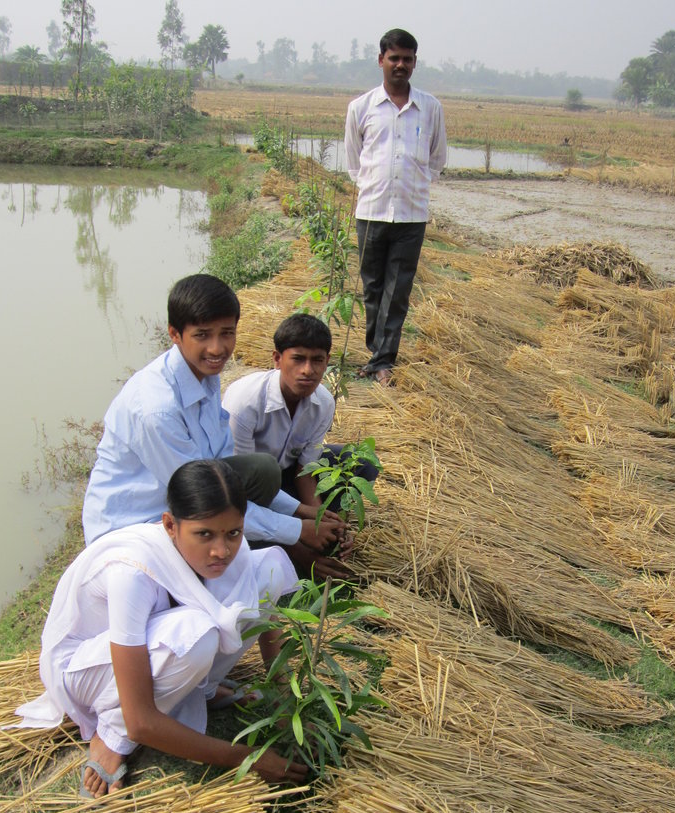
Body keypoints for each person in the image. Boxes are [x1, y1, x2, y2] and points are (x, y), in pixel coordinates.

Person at [15, 460, 307, 797]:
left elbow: (262, 612)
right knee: (197, 632)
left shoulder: (223, 553)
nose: (221, 551)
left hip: (143, 651)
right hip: (84, 670)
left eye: (234, 533)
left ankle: (204, 689)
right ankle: (110, 734)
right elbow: (141, 720)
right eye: (204, 534)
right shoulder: (132, 573)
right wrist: (247, 758)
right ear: (170, 525)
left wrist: (286, 703)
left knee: (266, 568)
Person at [82, 273, 343, 556]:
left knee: (263, 472)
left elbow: (219, 468)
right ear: (175, 334)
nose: (218, 349)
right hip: (138, 525)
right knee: (256, 562)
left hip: (188, 497)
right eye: (202, 335)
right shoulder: (157, 410)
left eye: (227, 333)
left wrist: (300, 510)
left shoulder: (204, 374)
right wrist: (296, 531)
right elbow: (205, 497)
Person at [222, 314, 378, 577]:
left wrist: (318, 519)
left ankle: (330, 535)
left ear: (327, 362)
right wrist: (301, 548)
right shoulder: (244, 403)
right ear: (277, 359)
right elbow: (236, 487)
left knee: (361, 462)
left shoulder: (324, 403)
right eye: (297, 359)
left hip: (287, 476)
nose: (308, 370)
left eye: (317, 360)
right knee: (255, 486)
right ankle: (293, 547)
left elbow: (305, 469)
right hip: (250, 484)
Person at [344, 28, 447, 386]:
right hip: (370, 211)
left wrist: (416, 185)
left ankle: (383, 360)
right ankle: (378, 353)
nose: (400, 64)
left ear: (415, 63)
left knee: (397, 289)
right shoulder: (360, 108)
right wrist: (373, 185)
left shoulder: (430, 108)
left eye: (407, 58)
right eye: (394, 58)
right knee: (372, 286)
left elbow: (437, 159)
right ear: (381, 60)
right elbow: (354, 162)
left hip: (411, 214)